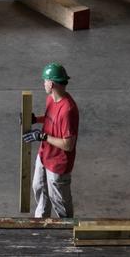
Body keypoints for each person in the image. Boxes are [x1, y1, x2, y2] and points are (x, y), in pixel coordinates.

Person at [23, 62, 79, 219]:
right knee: (39, 188)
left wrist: (42, 137)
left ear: (52, 83)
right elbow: (50, 118)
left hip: (58, 164)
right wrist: (34, 119)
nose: (43, 83)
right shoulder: (51, 99)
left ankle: (67, 229)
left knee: (59, 201)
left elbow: (68, 145)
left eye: (45, 80)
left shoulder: (68, 110)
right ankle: (41, 223)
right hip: (44, 156)